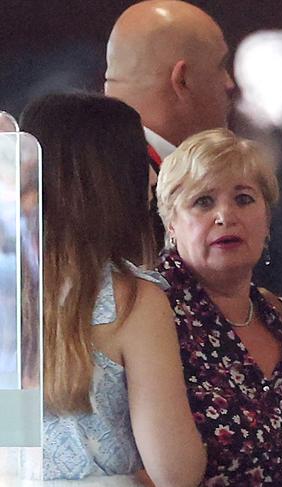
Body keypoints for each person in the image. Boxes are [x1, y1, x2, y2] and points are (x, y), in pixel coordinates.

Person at [20, 93, 205, 485]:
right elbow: (176, 470)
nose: (153, 177)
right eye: (141, 162)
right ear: (112, 182)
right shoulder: (133, 300)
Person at [155, 128, 282, 486]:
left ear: (267, 219)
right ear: (172, 224)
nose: (225, 216)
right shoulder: (152, 308)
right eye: (203, 202)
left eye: (244, 199)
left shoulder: (280, 314)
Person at [105, 0, 235, 164]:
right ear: (182, 81)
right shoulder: (125, 177)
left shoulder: (84, 164)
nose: (230, 84)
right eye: (220, 67)